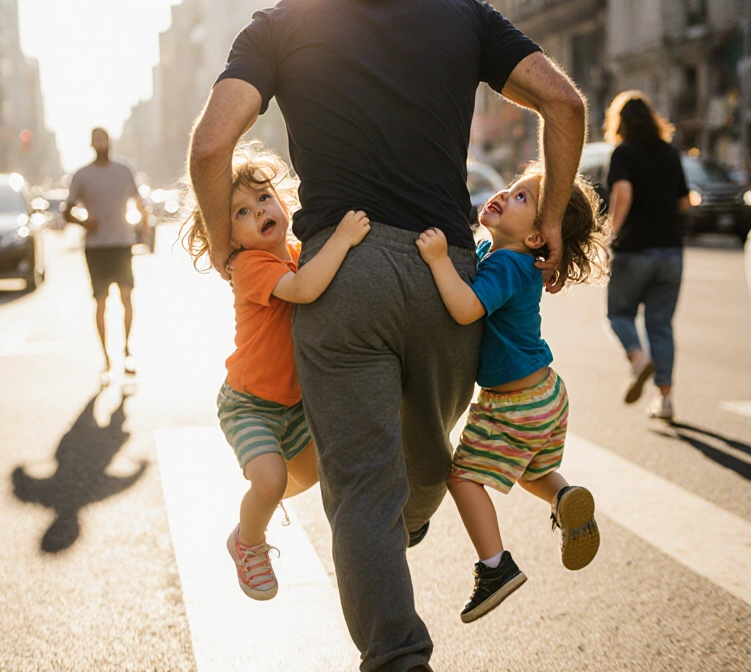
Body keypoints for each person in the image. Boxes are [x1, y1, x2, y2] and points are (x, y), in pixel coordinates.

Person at [188, 2, 587, 669]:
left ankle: (398, 656)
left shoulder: (281, 25)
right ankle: (403, 521)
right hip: (444, 278)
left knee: (364, 488)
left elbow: (209, 146)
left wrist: (227, 246)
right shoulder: (466, 17)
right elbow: (565, 103)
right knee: (427, 463)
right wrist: (549, 217)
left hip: (342, 278)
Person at [416, 168, 605, 623]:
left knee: (462, 477)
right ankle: (565, 498)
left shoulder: (507, 264)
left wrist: (440, 259)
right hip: (545, 394)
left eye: (521, 198)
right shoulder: (509, 257)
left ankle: (495, 567)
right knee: (531, 471)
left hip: (513, 404)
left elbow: (465, 308)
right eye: (514, 188)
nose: (504, 194)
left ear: (540, 235)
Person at [183, 143, 370, 600]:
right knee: (271, 481)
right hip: (248, 403)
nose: (258, 210)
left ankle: (262, 503)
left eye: (263, 198)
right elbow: (305, 289)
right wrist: (344, 238)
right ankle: (247, 542)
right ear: (230, 238)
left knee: (310, 476)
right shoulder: (250, 264)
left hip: (294, 405)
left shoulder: (297, 249)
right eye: (241, 213)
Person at [604, 91, 690, 422]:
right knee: (661, 325)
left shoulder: (623, 153)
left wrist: (610, 231)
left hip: (634, 249)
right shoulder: (670, 152)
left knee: (619, 314)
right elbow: (684, 203)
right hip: (671, 250)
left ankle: (638, 360)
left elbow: (622, 193)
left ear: (619, 123)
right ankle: (666, 401)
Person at [64, 127, 151, 386]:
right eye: (96, 140)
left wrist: (144, 230)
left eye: (105, 140)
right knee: (101, 302)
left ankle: (126, 350)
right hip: (96, 248)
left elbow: (139, 203)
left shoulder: (124, 170)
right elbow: (67, 211)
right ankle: (106, 359)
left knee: (126, 296)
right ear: (92, 144)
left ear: (110, 143)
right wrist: (84, 222)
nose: (101, 144)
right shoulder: (82, 175)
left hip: (121, 244)